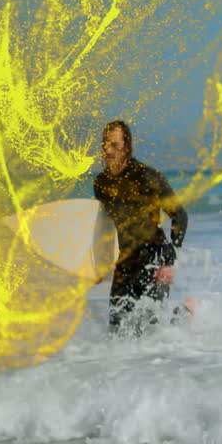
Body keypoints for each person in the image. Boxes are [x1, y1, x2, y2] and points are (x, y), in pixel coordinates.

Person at [91, 120, 190, 332]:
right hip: (125, 263)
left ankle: (185, 313)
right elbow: (105, 225)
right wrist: (100, 263)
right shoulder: (101, 183)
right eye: (105, 145)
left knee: (152, 329)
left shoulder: (147, 176)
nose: (108, 150)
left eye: (114, 146)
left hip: (154, 259)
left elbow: (179, 215)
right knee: (117, 331)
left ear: (127, 148)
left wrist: (169, 262)